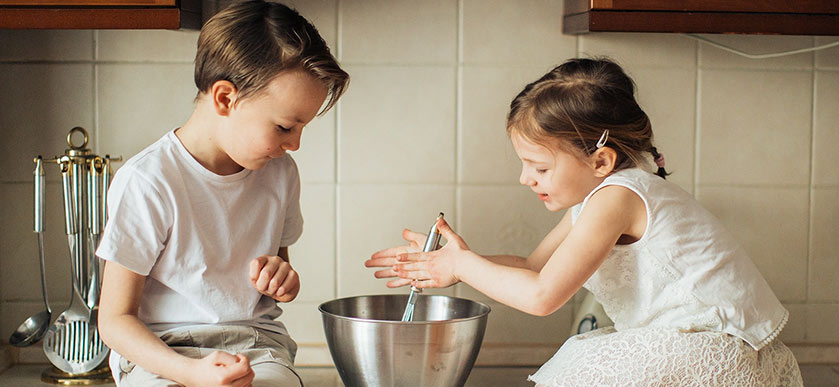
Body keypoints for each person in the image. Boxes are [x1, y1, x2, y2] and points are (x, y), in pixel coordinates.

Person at [365, 58, 802, 386]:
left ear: (600, 161)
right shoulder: (600, 198)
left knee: (576, 370)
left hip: (715, 352)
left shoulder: (618, 197)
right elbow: (534, 268)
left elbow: (541, 297)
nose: (524, 178)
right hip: (701, 347)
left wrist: (462, 267)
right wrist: (454, 260)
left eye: (538, 166)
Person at [96, 1, 348, 386]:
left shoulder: (279, 173)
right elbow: (114, 321)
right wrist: (192, 373)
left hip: (254, 345)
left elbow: (278, 274)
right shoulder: (149, 181)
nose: (295, 144)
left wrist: (283, 280)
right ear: (225, 99)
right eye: (284, 127)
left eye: (301, 129)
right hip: (162, 352)